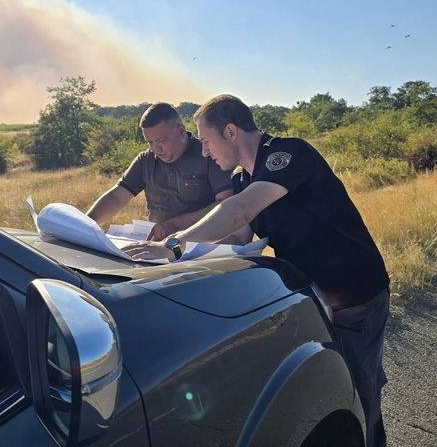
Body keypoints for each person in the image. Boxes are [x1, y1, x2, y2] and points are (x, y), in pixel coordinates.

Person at [122, 94, 390, 447]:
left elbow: (241, 211)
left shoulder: (288, 154)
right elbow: (237, 236)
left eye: (205, 141)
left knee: (360, 392)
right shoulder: (243, 180)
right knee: (331, 388)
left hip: (356, 297)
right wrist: (169, 271)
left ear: (230, 131)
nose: (203, 152)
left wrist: (174, 246)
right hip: (316, 299)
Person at [86, 102, 233, 241]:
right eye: (150, 142)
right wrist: (84, 225)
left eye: (161, 140)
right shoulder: (145, 160)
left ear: (181, 131)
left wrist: (176, 224)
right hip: (157, 246)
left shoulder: (209, 154)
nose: (156, 148)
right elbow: (117, 197)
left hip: (203, 243)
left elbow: (226, 203)